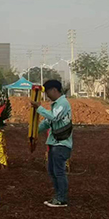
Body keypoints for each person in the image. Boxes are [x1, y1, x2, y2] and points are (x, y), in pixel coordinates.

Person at [31, 79, 73, 208]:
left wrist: (39, 108)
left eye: (48, 92)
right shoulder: (55, 105)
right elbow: (47, 122)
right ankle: (58, 196)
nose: (47, 95)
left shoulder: (63, 103)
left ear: (54, 90)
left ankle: (61, 199)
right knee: (52, 171)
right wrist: (33, 132)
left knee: (59, 172)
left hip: (61, 144)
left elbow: (54, 117)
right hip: (54, 143)